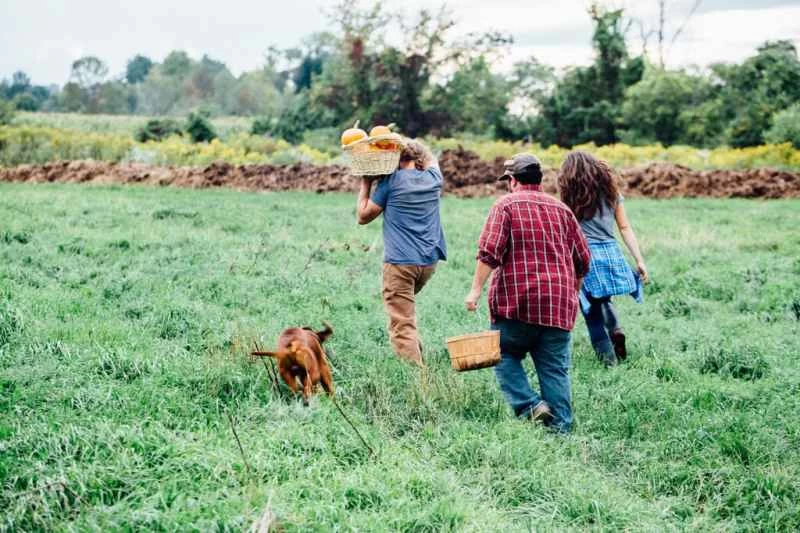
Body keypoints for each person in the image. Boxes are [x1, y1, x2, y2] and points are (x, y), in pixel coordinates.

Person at [465, 153, 590, 432]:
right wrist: (571, 294)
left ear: (512, 180)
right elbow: (583, 261)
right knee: (555, 370)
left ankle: (529, 405)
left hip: (517, 303)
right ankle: (561, 432)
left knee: (500, 352)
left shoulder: (505, 205)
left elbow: (489, 253)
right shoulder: (563, 210)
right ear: (539, 179)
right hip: (558, 306)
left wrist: (474, 291)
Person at [356, 140, 447, 367]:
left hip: (400, 263)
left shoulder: (391, 182)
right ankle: (420, 357)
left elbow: (363, 216)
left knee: (401, 321)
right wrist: (408, 146)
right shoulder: (434, 178)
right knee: (405, 312)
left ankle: (415, 376)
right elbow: (430, 158)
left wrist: (366, 182)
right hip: (428, 262)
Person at [557, 151, 649, 368]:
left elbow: (566, 231)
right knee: (604, 298)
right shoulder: (611, 192)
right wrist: (639, 259)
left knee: (591, 312)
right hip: (610, 253)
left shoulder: (570, 196)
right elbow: (624, 227)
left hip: (584, 255)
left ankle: (609, 363)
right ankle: (616, 329)